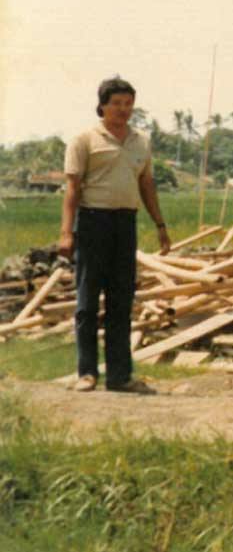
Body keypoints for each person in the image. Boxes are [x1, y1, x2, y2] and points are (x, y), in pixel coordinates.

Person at [61, 77, 171, 393]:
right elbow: (72, 190)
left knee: (122, 301)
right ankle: (87, 372)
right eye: (117, 104)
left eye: (128, 104)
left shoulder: (141, 141)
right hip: (93, 223)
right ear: (103, 106)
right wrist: (67, 233)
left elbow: (146, 185)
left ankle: (120, 376)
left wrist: (160, 225)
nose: (123, 110)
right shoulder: (84, 140)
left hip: (126, 224)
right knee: (87, 303)